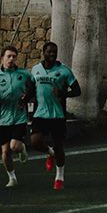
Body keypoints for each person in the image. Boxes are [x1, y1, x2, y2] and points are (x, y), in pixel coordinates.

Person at [27, 41, 80, 192]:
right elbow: (31, 89)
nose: (52, 54)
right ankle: (49, 153)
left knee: (59, 146)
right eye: (49, 51)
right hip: (40, 113)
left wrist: (63, 93)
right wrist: (24, 99)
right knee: (35, 142)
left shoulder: (64, 71)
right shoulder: (36, 69)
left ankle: (59, 177)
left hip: (57, 114)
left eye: (54, 52)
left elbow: (77, 91)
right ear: (43, 52)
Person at [0, 46, 34, 188]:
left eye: (14, 57)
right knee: (5, 151)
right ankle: (12, 178)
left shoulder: (24, 74)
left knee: (14, 146)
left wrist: (27, 97)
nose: (11, 59)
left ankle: (21, 148)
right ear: (2, 58)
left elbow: (33, 89)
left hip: (19, 116)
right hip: (2, 118)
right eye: (8, 56)